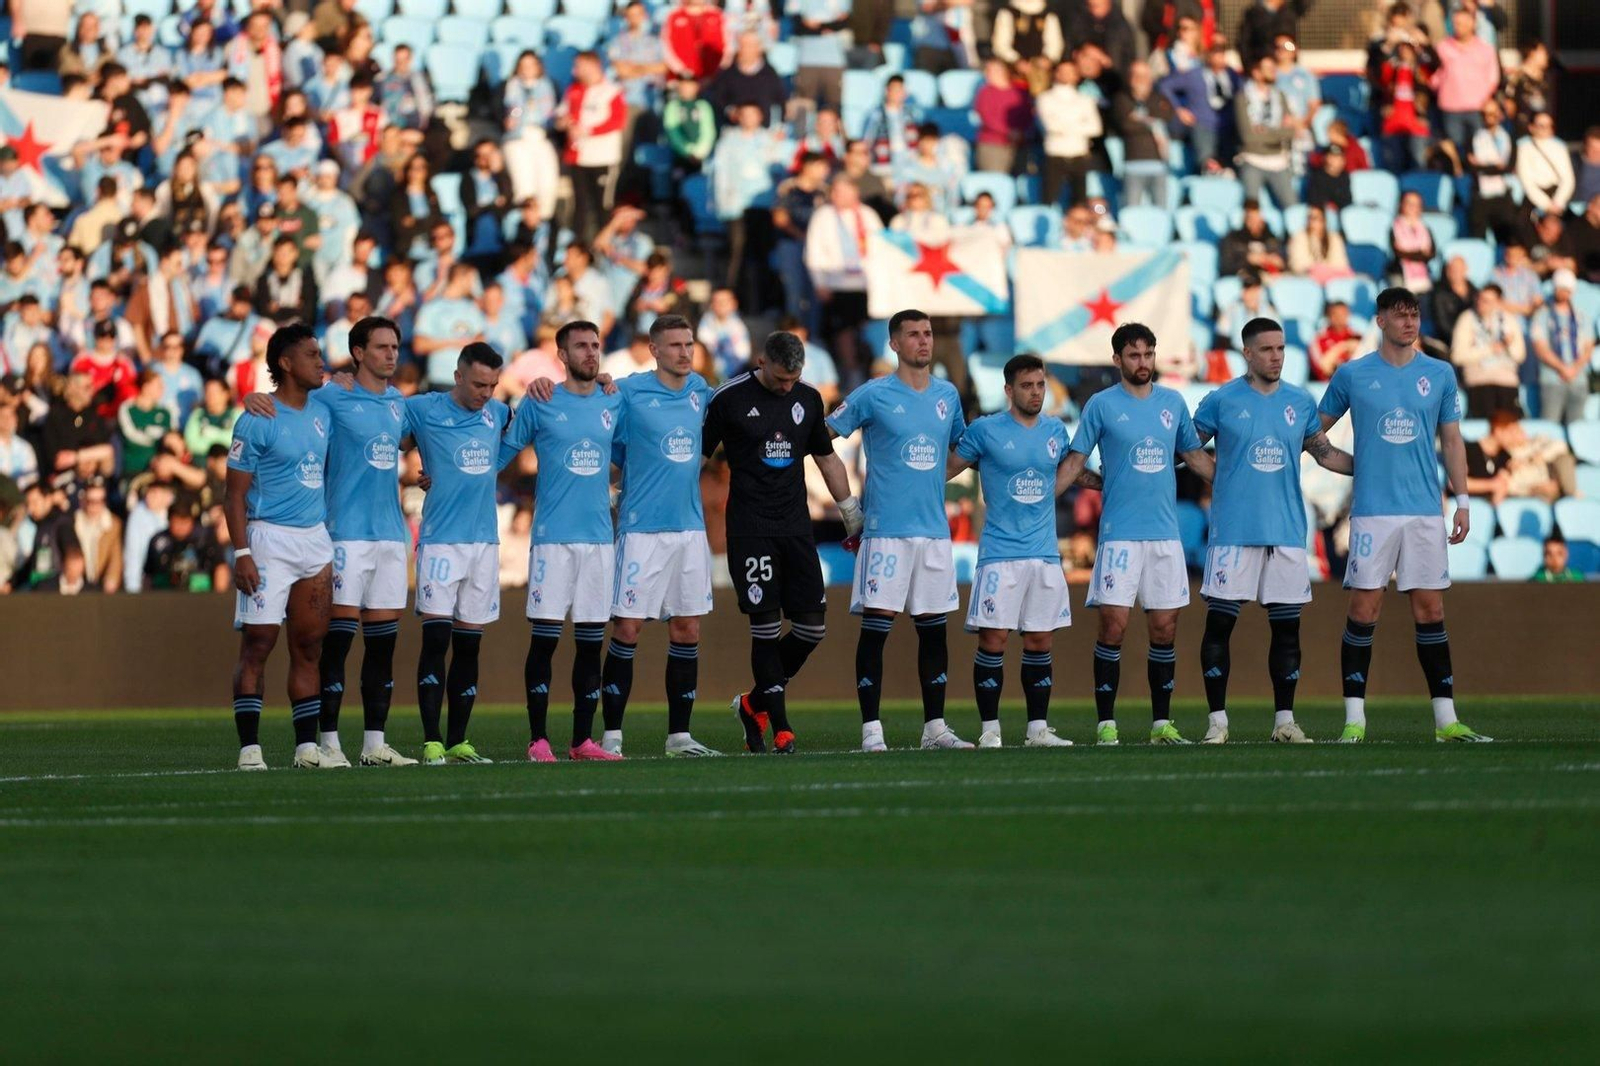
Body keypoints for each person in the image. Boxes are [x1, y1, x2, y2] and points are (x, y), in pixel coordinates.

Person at [1316, 287, 1491, 743]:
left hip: (1424, 511)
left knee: (1430, 609)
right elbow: (1315, 433)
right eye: (1400, 315)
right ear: (1380, 321)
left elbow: (1451, 441)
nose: (1410, 322)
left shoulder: (1439, 373)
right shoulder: (1353, 374)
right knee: (1364, 608)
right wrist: (1346, 463)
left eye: (1414, 315)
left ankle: (1446, 721)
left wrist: (1463, 501)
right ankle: (1354, 721)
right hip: (1373, 512)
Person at [243, 317, 417, 766]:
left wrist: (432, 471)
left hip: (390, 536)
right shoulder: (330, 395)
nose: (391, 354)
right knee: (333, 646)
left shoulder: (399, 402)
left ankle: (375, 744)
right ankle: (329, 742)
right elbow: (287, 402)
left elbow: (430, 432)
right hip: (341, 535)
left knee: (382, 646)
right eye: (381, 347)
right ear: (358, 353)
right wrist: (251, 397)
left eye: (395, 346)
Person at [1193, 317, 1353, 744]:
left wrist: (1369, 466)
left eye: (1281, 348)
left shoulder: (1299, 401)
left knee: (1287, 629)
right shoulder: (1221, 400)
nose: (1276, 356)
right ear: (1247, 353)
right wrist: (1219, 477)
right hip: (1233, 531)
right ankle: (1217, 722)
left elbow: (1323, 452)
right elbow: (1187, 447)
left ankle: (1285, 721)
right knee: (1220, 625)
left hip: (1285, 531)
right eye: (1266, 349)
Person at [702, 330, 860, 754]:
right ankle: (782, 727)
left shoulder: (808, 398)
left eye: (794, 378)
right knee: (767, 628)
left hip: (795, 527)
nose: (788, 387)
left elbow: (827, 458)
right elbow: (697, 459)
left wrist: (851, 513)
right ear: (762, 362)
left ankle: (753, 703)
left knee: (812, 628)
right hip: (750, 528)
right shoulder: (728, 398)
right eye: (780, 378)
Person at [827, 310, 969, 752]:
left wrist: (928, 480)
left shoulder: (947, 395)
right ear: (894, 344)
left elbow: (960, 450)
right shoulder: (873, 394)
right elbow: (823, 435)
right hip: (885, 531)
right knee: (877, 630)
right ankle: (872, 730)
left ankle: (935, 728)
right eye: (913, 334)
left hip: (933, 532)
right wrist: (849, 506)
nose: (924, 341)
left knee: (934, 630)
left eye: (927, 334)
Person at [946, 354, 1095, 748]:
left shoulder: (1055, 430)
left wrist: (1113, 481)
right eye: (1027, 386)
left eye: (1040, 385)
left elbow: (1072, 472)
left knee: (1040, 642)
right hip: (1000, 554)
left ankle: (1037, 730)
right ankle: (990, 730)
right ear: (1008, 390)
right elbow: (948, 468)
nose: (1036, 393)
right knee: (993, 641)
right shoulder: (985, 430)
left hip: (1044, 554)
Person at [495, 321, 625, 763]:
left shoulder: (614, 400)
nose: (590, 352)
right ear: (562, 355)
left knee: (590, 643)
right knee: (545, 641)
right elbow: (501, 454)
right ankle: (538, 739)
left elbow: (631, 448)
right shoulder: (540, 401)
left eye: (595, 345)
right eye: (581, 346)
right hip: (553, 539)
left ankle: (582, 740)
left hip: (599, 540)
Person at [591, 316, 721, 757]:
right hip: (641, 530)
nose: (685, 352)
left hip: (689, 530)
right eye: (676, 345)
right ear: (654, 350)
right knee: (628, 628)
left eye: (689, 344)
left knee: (687, 628)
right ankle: (611, 736)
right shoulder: (628, 392)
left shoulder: (700, 390)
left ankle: (679, 737)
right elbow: (596, 429)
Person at [223, 324, 335, 771]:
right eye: (311, 355)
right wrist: (242, 553)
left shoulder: (323, 410)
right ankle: (250, 749)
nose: (321, 362)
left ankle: (306, 748)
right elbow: (233, 495)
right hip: (268, 539)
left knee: (309, 647)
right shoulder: (257, 417)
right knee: (259, 644)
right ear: (285, 363)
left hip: (316, 540)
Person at [398, 343, 509, 764]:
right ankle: (431, 740)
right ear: (458, 376)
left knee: (469, 646)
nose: (486, 393)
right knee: (435, 640)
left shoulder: (498, 412)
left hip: (484, 543)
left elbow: (529, 422)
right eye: (479, 384)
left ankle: (459, 740)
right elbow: (389, 431)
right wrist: (418, 470)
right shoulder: (423, 408)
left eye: (492, 385)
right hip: (441, 540)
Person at [1530, 270, 1595, 425]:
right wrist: (1562, 368)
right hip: (1552, 378)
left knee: (1577, 425)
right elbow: (1540, 347)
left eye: (1567, 289)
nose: (1563, 293)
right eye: (1560, 288)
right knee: (1549, 423)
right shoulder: (1542, 315)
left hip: (1578, 379)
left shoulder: (1581, 317)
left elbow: (1588, 347)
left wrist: (1574, 368)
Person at [1451, 284, 1525, 417]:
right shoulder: (1467, 319)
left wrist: (1508, 345)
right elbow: (1457, 356)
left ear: (1498, 303)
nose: (1480, 303)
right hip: (1479, 380)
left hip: (1506, 381)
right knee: (1485, 417)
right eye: (1479, 298)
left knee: (1509, 421)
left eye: (1486, 301)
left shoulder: (1509, 320)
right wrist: (1490, 349)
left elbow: (1519, 356)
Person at [1235, 54, 1297, 207]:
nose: (1273, 71)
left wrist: (1266, 131)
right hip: (1252, 160)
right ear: (1256, 73)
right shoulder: (1242, 98)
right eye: (1268, 68)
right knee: (1251, 207)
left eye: (1273, 68)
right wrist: (1278, 132)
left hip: (1279, 161)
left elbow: (1291, 132)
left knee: (1293, 207)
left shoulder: (1280, 97)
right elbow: (1248, 137)